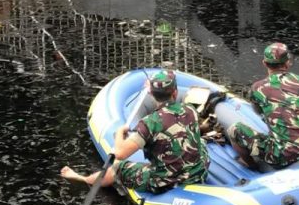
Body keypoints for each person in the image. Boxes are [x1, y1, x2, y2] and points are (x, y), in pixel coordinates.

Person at [61, 70, 210, 194]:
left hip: (167, 181)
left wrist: (120, 133)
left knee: (117, 167)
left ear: (151, 94)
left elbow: (119, 153)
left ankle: (84, 179)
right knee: (201, 142)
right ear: (175, 92)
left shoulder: (150, 123)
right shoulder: (190, 110)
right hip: (198, 172)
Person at [228, 42, 299, 170]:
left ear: (264, 63)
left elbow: (258, 111)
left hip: (282, 155)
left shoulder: (257, 88)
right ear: (288, 62)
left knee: (235, 129)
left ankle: (251, 165)